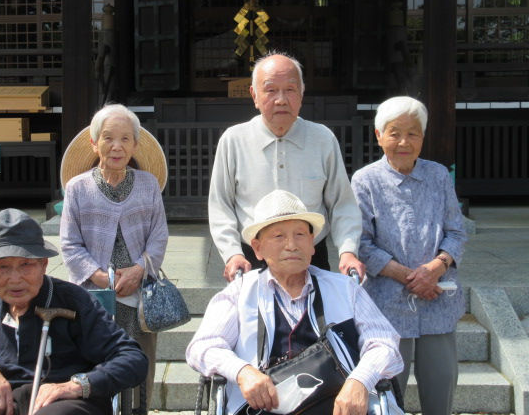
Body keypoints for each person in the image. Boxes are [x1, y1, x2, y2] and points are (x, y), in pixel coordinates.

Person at [187, 190, 403, 415]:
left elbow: (384, 343)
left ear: (312, 244)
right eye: (278, 236)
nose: (291, 245)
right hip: (263, 408)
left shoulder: (345, 289)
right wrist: (242, 371)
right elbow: (203, 346)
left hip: (338, 405)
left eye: (300, 234)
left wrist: (360, 380)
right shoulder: (240, 292)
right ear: (258, 248)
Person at [0, 208, 147, 415]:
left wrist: (77, 386)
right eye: (2, 267)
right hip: (3, 403)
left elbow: (132, 358)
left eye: (26, 265)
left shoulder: (74, 301)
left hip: (65, 403)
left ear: (44, 264)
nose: (15, 279)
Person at [350, 96, 467, 415]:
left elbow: (456, 231)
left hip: (437, 298)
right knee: (387, 397)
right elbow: (362, 243)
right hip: (388, 304)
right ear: (378, 135)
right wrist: (410, 277)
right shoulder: (365, 180)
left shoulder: (439, 175)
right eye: (394, 132)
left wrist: (435, 268)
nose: (404, 141)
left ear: (423, 137)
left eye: (413, 133)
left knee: (440, 389)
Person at [208, 51, 364, 282]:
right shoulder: (234, 140)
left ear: (302, 94)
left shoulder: (322, 138)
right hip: (252, 258)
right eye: (270, 90)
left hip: (311, 256)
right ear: (255, 95)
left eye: (290, 89)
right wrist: (232, 254)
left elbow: (342, 204)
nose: (281, 99)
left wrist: (348, 251)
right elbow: (220, 206)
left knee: (317, 317)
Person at [60, 103, 168, 411]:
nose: (117, 146)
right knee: (95, 360)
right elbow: (69, 243)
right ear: (94, 143)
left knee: (140, 360)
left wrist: (138, 271)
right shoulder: (77, 189)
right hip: (95, 294)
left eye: (125, 139)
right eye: (108, 138)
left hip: (139, 292)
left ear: (135, 144)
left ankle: (138, 409)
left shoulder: (148, 185)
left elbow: (159, 236)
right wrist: (99, 277)